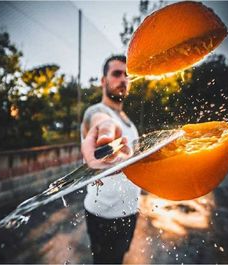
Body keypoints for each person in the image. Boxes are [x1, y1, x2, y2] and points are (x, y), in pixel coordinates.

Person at [81, 55, 141, 264]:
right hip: (103, 215)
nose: (123, 79)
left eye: (127, 75)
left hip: (131, 211)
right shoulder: (96, 112)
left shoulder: (130, 124)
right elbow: (96, 120)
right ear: (103, 81)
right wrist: (103, 126)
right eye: (116, 74)